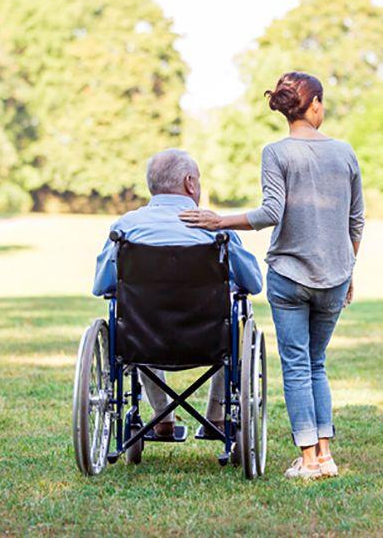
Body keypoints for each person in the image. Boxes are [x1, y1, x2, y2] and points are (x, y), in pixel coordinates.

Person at [180, 71, 364, 480]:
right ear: (313, 104)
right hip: (335, 275)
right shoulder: (346, 153)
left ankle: (309, 460)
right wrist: (348, 271)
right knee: (317, 363)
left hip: (289, 275)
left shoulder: (276, 153)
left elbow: (270, 213)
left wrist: (219, 220)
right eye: (323, 102)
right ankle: (326, 454)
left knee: (297, 365)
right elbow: (356, 222)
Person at [92, 148, 263, 439]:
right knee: (235, 318)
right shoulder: (215, 230)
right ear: (190, 183)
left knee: (138, 317)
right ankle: (217, 417)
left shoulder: (126, 229)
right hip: (209, 340)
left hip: (143, 341)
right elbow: (254, 284)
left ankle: (162, 419)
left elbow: (102, 287)